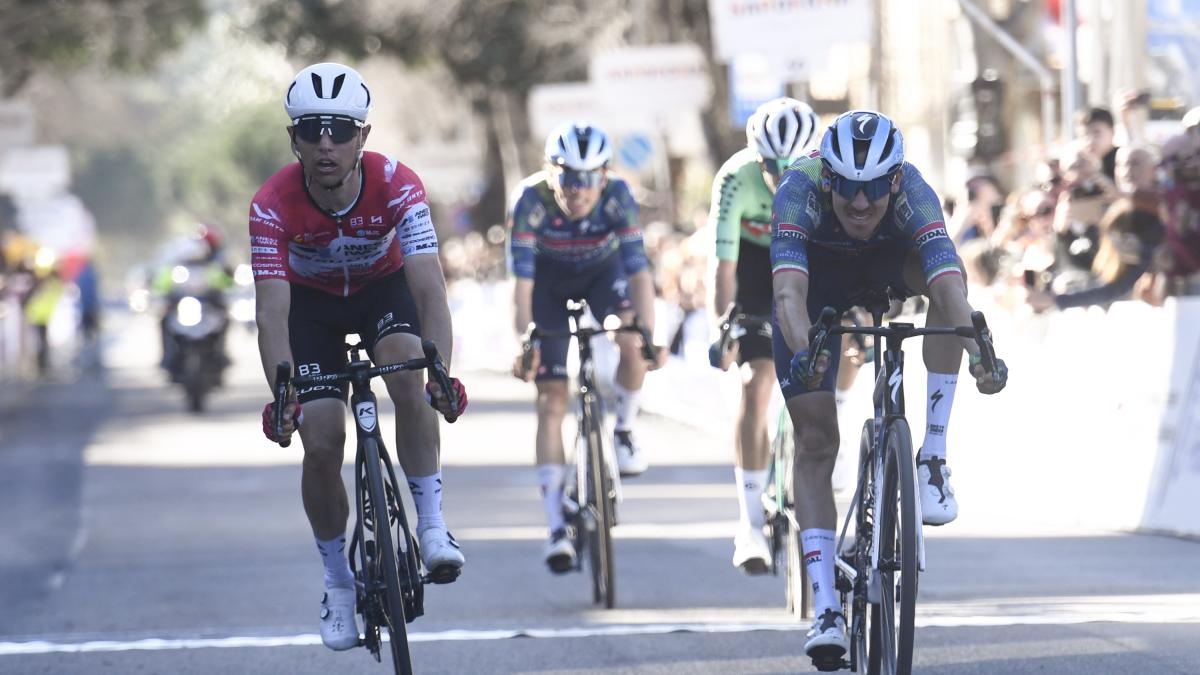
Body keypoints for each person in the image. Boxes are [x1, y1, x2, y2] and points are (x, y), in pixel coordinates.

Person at [769, 110, 1008, 661]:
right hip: (818, 282)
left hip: (889, 266)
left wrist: (980, 355)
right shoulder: (798, 189)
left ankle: (933, 457)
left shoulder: (916, 193)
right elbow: (787, 296)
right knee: (815, 441)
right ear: (829, 178)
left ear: (894, 180)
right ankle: (826, 607)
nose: (860, 202)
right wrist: (807, 356)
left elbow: (949, 288)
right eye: (848, 188)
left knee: (949, 294)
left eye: (874, 188)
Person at [250, 62, 468, 652]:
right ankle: (338, 583)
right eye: (311, 130)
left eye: (341, 130)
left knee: (410, 371)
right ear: (293, 138)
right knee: (321, 439)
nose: (326, 143)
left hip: (382, 293)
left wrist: (440, 373)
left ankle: (431, 525)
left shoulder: (399, 184)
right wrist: (283, 396)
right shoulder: (271, 203)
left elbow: (430, 290)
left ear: (362, 137)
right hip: (311, 310)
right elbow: (272, 314)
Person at [508, 121, 664, 574]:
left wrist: (649, 335)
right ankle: (556, 526)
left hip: (602, 274)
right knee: (551, 398)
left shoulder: (619, 196)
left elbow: (639, 274)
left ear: (605, 175)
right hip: (547, 286)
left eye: (590, 177)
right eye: (568, 176)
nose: (578, 189)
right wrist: (525, 342)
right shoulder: (529, 199)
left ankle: (624, 430)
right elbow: (521, 288)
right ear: (549, 172)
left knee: (631, 339)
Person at [706, 97, 822, 575]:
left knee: (842, 347)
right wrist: (724, 326)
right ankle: (750, 522)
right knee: (755, 383)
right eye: (771, 166)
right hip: (754, 266)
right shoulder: (735, 177)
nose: (779, 176)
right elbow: (723, 267)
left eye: (791, 167)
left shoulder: (826, 176)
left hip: (809, 259)